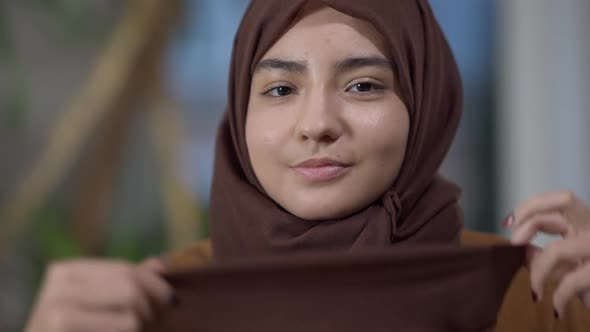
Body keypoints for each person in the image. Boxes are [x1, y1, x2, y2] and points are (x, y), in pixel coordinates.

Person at [24, 0, 590, 331]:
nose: (316, 122)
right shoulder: (149, 306)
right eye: (279, 89)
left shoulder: (538, 299)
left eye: (364, 85)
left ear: (426, 107)